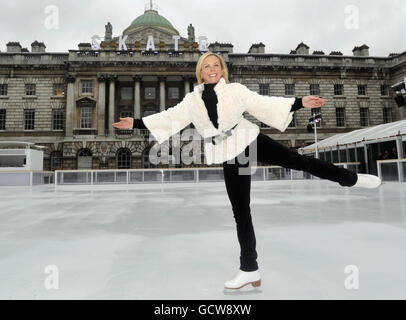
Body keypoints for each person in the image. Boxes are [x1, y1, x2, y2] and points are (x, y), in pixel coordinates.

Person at [112, 51, 382, 290]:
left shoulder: (235, 90)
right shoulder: (191, 101)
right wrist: (135, 122)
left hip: (247, 139)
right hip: (229, 152)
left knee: (300, 161)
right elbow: (170, 117)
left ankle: (351, 178)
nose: (212, 69)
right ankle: (249, 269)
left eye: (216, 64)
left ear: (222, 69)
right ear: (200, 72)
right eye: (207, 66)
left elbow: (263, 103)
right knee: (242, 211)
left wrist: (300, 102)